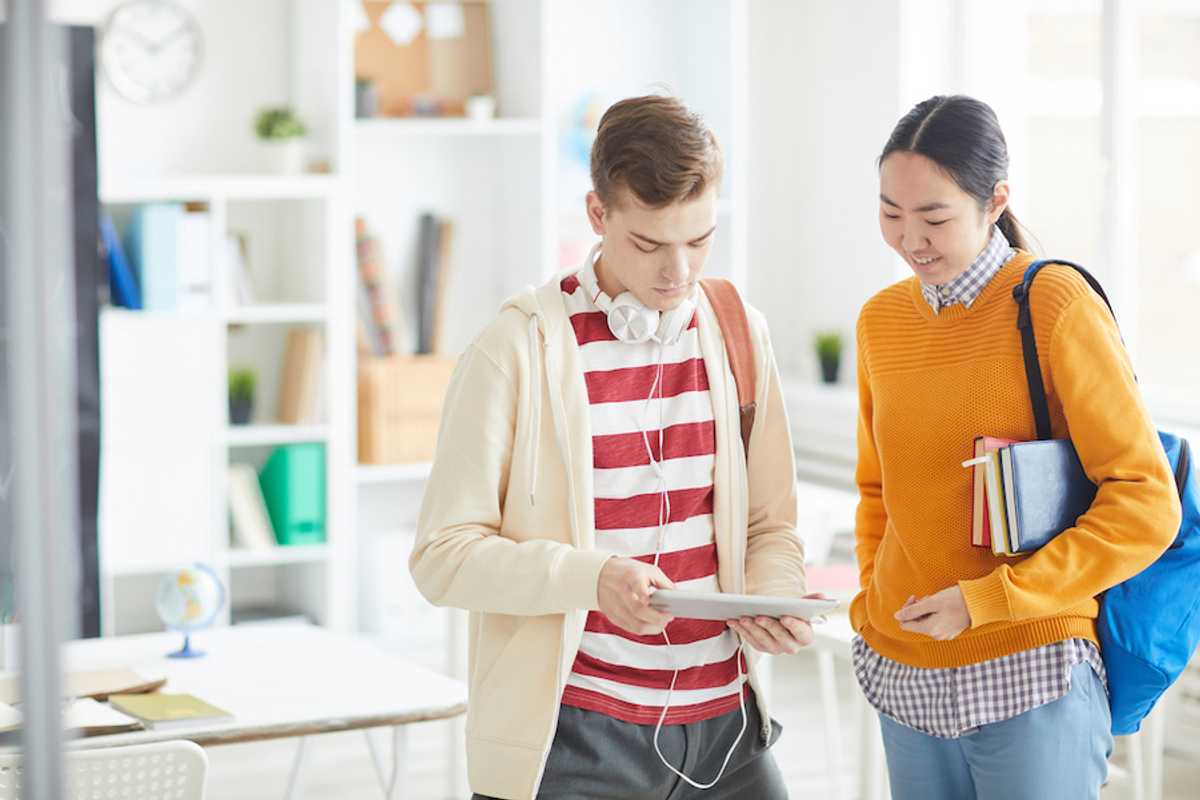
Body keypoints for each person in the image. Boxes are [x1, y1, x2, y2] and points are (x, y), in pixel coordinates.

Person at [410, 95, 811, 800]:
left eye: (700, 241)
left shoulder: (738, 331)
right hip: (577, 735)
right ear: (598, 216)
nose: (678, 273)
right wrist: (589, 578)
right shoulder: (516, 350)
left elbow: (770, 526)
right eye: (650, 245)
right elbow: (442, 558)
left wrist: (771, 597)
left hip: (727, 725)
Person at [850, 94, 1182, 799]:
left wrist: (991, 599)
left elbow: (1147, 503)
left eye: (934, 216)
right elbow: (879, 490)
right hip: (905, 671)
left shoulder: (1053, 303)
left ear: (995, 199)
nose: (912, 239)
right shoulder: (881, 323)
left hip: (1029, 668)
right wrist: (871, 607)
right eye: (891, 213)